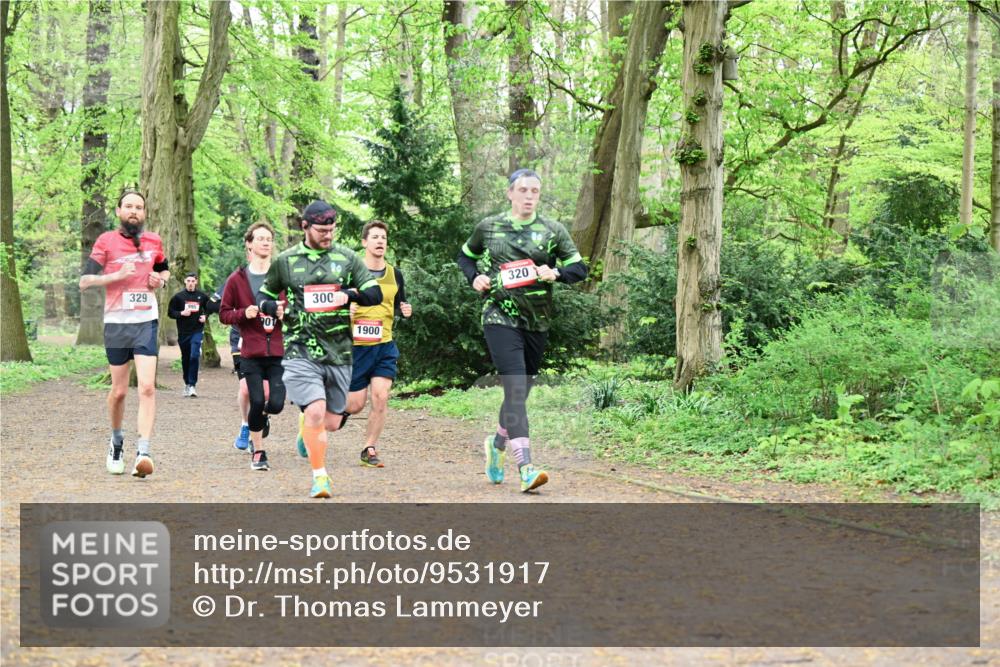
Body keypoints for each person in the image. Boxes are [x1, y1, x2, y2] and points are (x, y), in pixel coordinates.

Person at [456, 169, 588, 492]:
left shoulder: (552, 230)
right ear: (510, 193)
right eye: (524, 190)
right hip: (498, 315)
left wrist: (554, 273)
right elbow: (465, 256)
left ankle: (497, 446)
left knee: (521, 391)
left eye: (535, 192)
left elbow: (579, 268)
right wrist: (474, 277)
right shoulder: (489, 227)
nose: (529, 196)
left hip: (537, 322)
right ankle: (526, 467)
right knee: (515, 387)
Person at [258, 200, 382, 498]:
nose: (328, 236)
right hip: (300, 350)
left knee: (332, 423)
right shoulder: (286, 261)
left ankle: (306, 426)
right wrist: (272, 307)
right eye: (322, 230)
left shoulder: (347, 258)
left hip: (339, 352)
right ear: (304, 227)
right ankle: (320, 477)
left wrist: (348, 295)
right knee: (315, 411)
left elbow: (374, 293)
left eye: (331, 230)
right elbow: (264, 295)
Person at [79, 189, 169, 478]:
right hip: (117, 323)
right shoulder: (106, 241)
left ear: (144, 213)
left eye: (139, 207)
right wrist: (115, 276)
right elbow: (85, 280)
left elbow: (164, 270)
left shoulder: (154, 240)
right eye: (128, 206)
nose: (134, 211)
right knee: (118, 392)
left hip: (146, 320)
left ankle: (143, 451)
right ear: (118, 211)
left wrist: (160, 280)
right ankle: (117, 441)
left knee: (146, 387)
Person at [344, 220, 413, 468]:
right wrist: (346, 312)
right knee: (354, 404)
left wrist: (404, 309)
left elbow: (398, 304)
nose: (380, 241)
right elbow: (335, 304)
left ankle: (369, 448)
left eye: (383, 237)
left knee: (381, 397)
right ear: (364, 242)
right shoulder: (351, 272)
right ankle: (322, 418)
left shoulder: (395, 274)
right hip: (357, 347)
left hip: (384, 345)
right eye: (374, 237)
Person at [220, 222, 286, 471]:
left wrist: (283, 312)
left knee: (276, 403)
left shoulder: (280, 276)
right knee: (256, 401)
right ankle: (258, 452)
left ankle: (261, 420)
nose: (265, 242)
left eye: (269, 238)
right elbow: (224, 314)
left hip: (278, 351)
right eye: (260, 238)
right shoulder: (237, 280)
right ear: (249, 244)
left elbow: (295, 307)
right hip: (251, 352)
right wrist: (243, 313)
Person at [167, 272, 211, 397]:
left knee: (194, 355)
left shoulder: (201, 296)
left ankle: (192, 385)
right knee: (186, 358)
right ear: (185, 282)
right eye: (189, 281)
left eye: (193, 281)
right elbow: (170, 313)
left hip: (197, 331)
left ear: (196, 282)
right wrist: (181, 313)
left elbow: (211, 307)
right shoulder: (178, 297)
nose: (191, 283)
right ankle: (187, 383)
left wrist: (205, 316)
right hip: (183, 333)